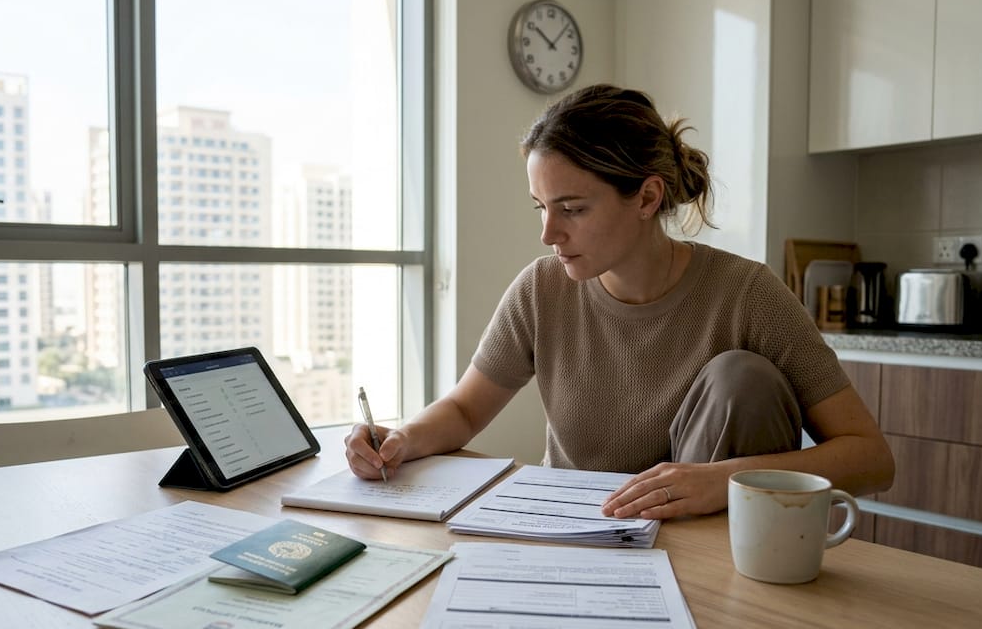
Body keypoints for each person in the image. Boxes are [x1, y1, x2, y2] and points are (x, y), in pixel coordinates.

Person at [344, 83, 894, 520]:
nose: (548, 233)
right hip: (574, 533)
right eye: (540, 207)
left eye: (572, 209)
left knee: (741, 378)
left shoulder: (747, 295)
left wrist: (723, 481)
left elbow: (872, 458)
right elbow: (465, 410)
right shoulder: (541, 290)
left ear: (647, 198)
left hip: (708, 543)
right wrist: (400, 439)